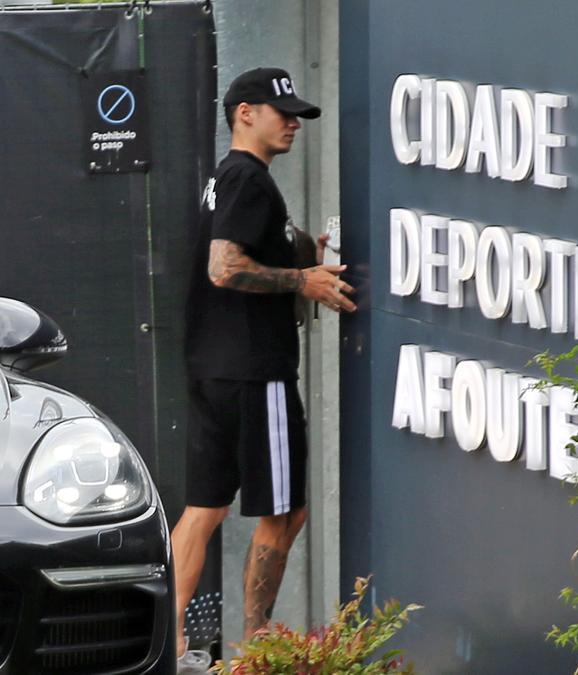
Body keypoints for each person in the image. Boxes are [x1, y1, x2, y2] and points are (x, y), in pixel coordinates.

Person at [172, 67, 356, 671]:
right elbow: (224, 267)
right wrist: (303, 279)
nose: (294, 123)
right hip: (257, 373)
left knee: (205, 510)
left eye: (298, 114)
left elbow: (263, 238)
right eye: (283, 113)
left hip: (211, 368)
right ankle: (256, 653)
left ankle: (167, 642)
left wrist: (306, 248)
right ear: (244, 113)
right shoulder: (249, 179)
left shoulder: (228, 179)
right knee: (286, 512)